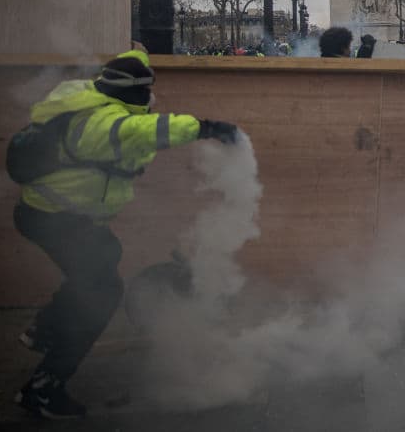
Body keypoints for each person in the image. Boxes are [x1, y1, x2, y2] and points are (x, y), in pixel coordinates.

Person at [13, 50, 239, 419]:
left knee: (105, 253)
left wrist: (139, 52)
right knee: (101, 293)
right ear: (134, 94)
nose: (152, 98)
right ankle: (43, 388)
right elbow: (148, 130)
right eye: (146, 93)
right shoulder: (103, 125)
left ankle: (45, 328)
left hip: (56, 215)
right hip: (55, 219)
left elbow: (132, 61)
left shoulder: (91, 95)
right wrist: (208, 128)